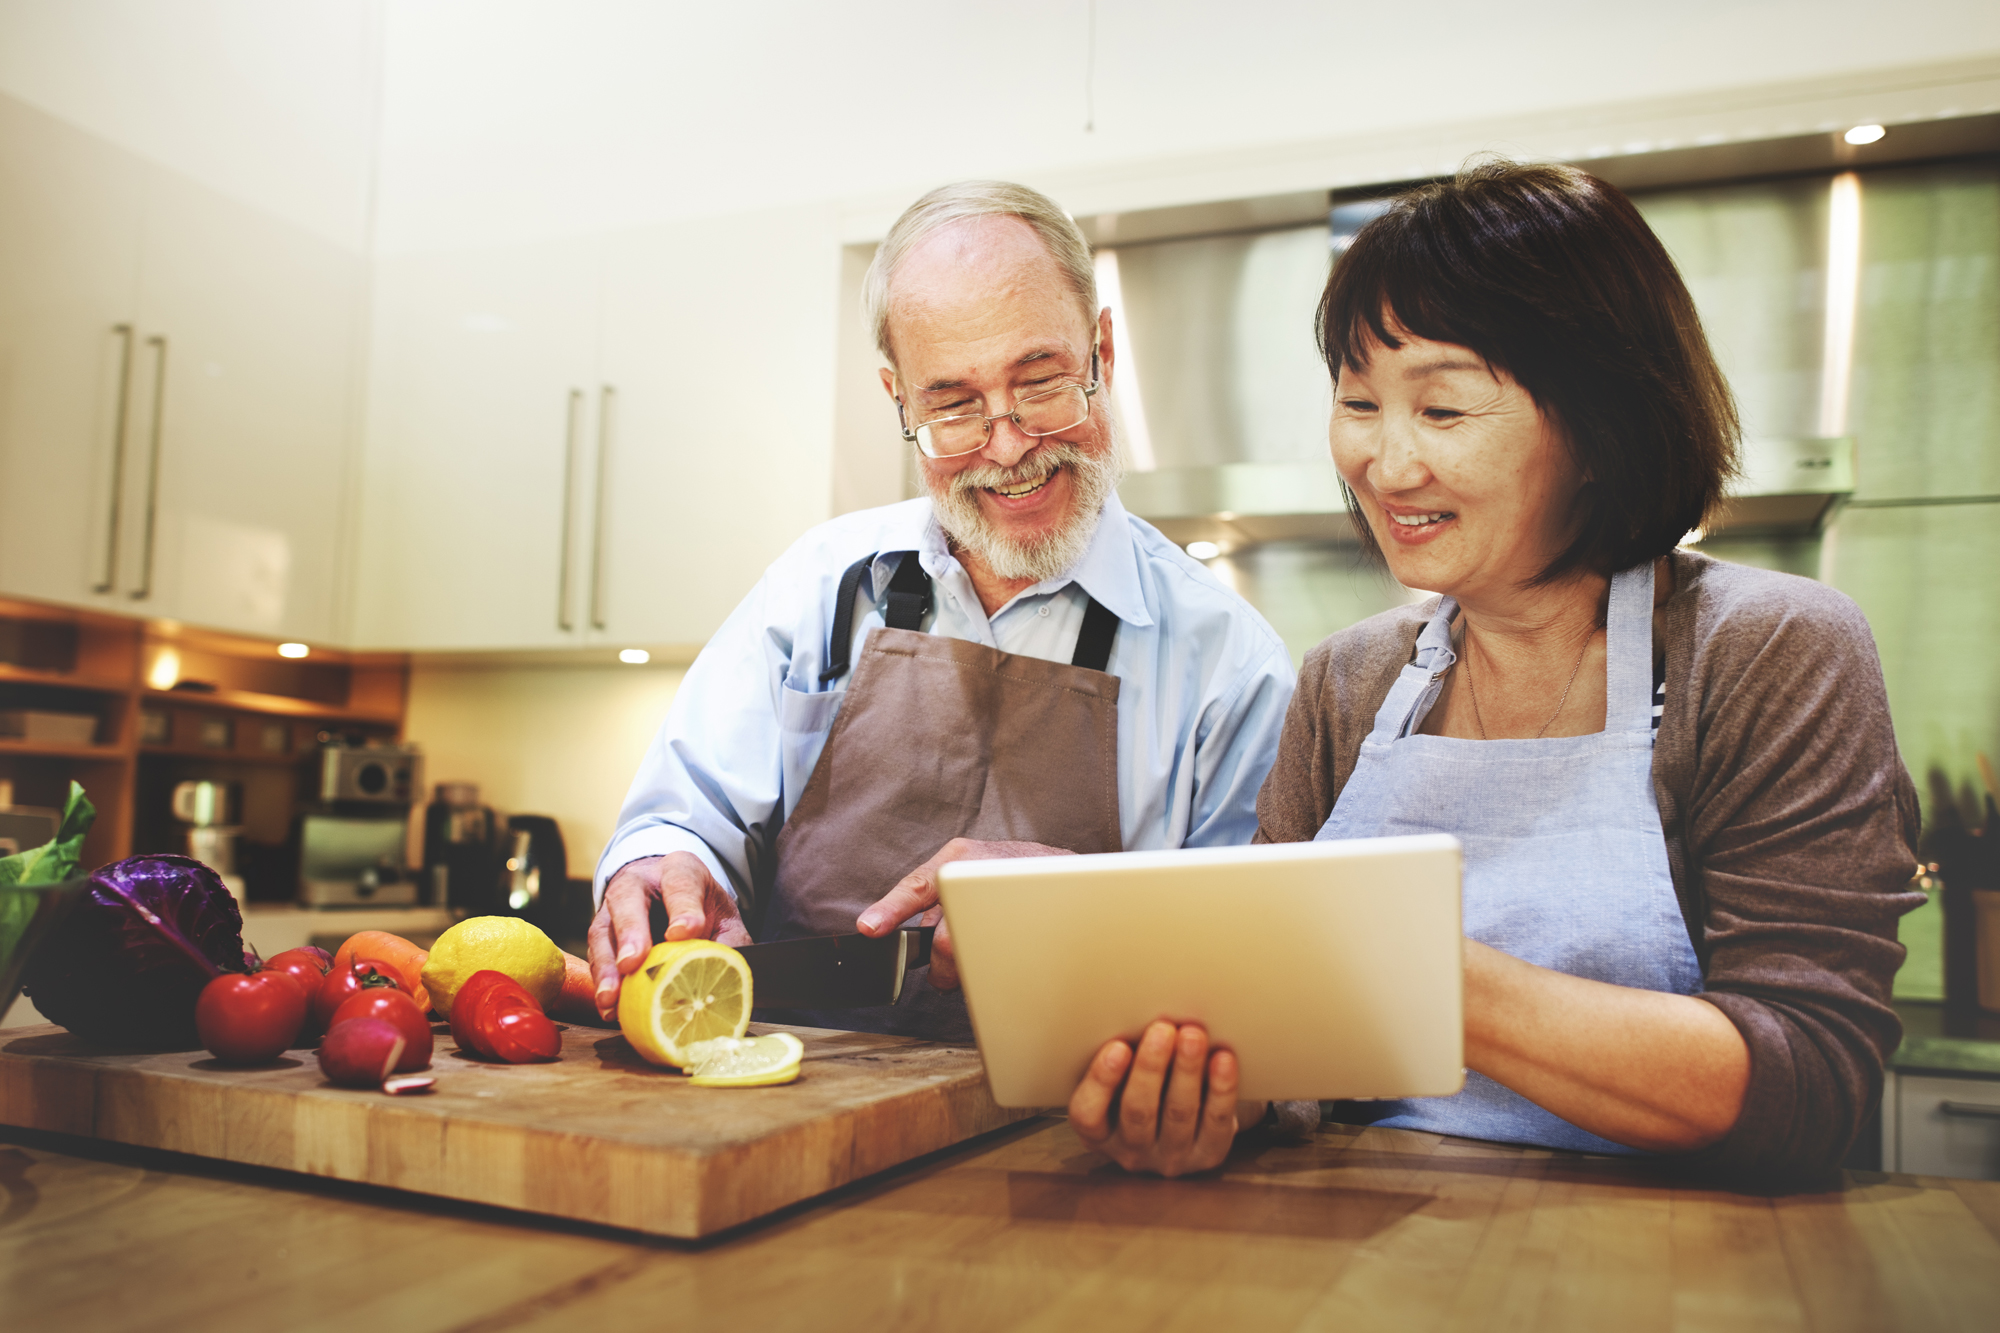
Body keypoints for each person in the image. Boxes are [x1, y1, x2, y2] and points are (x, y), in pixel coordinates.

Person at [1073, 159, 1922, 1183]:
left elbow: (1811, 1083)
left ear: (1598, 426)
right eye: (1357, 402)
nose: (1385, 465)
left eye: (1442, 411)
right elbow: (1290, 1054)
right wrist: (1213, 1097)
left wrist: (1417, 970)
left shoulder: (1764, 651)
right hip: (1369, 1256)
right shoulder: (1347, 681)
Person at [588, 181, 1296, 1056]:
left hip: (1082, 1150)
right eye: (954, 405)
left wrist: (1105, 910)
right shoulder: (819, 586)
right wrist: (664, 867)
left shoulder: (1232, 666)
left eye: (1041, 384)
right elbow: (685, 813)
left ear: (1103, 353)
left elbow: (1262, 974)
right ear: (900, 400)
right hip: (788, 1106)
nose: (1007, 447)